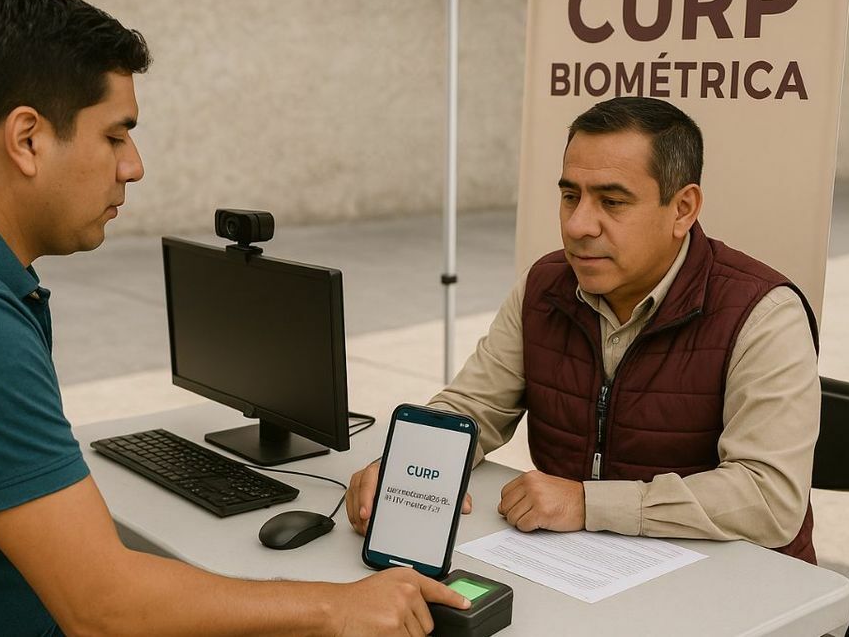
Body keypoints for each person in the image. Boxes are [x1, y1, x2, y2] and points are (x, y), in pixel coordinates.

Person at [0, 0, 467, 636]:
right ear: (27, 140)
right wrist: (338, 607)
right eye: (115, 135)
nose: (134, 165)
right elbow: (102, 609)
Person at [346, 96, 821, 564]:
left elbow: (769, 496)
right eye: (570, 195)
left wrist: (588, 503)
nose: (577, 224)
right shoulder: (545, 284)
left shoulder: (762, 311)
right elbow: (474, 406)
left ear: (683, 209)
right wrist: (405, 467)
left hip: (738, 590)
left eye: (612, 202)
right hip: (579, 568)